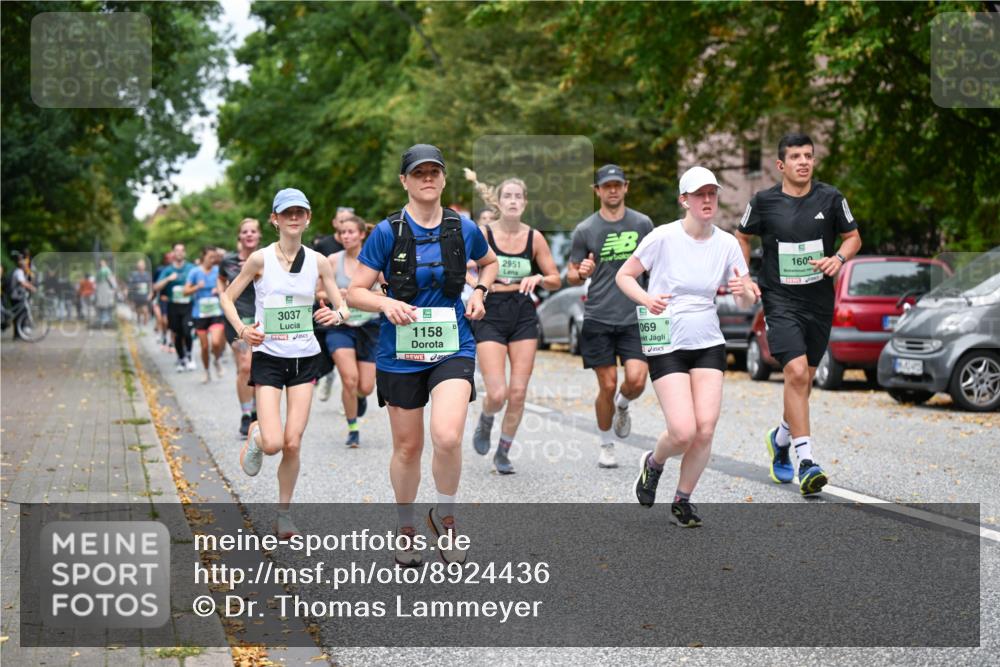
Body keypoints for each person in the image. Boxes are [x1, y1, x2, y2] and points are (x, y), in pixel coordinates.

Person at [347, 144, 497, 566]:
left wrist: (481, 292)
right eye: (419, 173)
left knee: (447, 436)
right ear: (405, 181)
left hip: (452, 344)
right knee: (408, 447)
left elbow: (489, 263)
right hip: (399, 349)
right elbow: (355, 291)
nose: (427, 178)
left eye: (434, 172)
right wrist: (385, 304)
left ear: (444, 179)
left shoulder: (463, 227)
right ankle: (407, 526)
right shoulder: (387, 231)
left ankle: (446, 520)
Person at [619, 166, 760, 526]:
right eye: (700, 194)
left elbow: (744, 302)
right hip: (665, 339)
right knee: (683, 430)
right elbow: (625, 275)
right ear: (685, 200)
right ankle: (654, 463)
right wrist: (647, 299)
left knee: (706, 428)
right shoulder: (663, 237)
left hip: (707, 340)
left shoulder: (727, 244)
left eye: (712, 193)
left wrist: (745, 295)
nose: (708, 200)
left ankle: (683, 500)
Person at [735, 133, 862, 495]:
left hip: (818, 302)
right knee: (793, 372)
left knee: (803, 381)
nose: (803, 161)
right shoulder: (763, 202)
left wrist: (838, 258)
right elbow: (742, 236)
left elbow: (853, 237)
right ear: (781, 165)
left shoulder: (831, 197)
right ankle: (806, 461)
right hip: (779, 300)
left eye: (808, 155)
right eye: (795, 157)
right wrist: (745, 276)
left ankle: (779, 439)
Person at [220, 188, 350, 538]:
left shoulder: (319, 261)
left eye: (300, 212)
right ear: (274, 219)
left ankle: (283, 514)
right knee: (275, 443)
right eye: (287, 213)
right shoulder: (259, 260)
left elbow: (343, 306)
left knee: (293, 442)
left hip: (305, 359)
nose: (294, 218)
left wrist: (334, 316)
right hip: (269, 359)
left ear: (308, 218)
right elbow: (228, 298)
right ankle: (258, 433)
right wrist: (243, 329)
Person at [465, 174, 560, 474]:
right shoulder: (482, 233)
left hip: (522, 311)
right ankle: (486, 418)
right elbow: (457, 267)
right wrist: (478, 285)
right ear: (499, 202)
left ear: (525, 202)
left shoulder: (535, 238)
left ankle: (503, 452)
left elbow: (556, 279)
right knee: (497, 393)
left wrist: (539, 278)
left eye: (519, 196)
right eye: (508, 196)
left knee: (518, 392)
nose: (514, 201)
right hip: (490, 312)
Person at [567, 164, 653, 469]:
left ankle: (623, 404)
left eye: (618, 185)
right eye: (607, 186)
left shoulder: (643, 224)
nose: (613, 190)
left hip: (634, 316)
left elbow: (656, 266)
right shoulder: (585, 229)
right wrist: (581, 272)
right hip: (599, 316)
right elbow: (572, 275)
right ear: (597, 191)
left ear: (626, 187)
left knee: (637, 380)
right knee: (606, 384)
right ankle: (606, 444)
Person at [320, 215, 383, 448]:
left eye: (350, 232)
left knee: (365, 386)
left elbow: (388, 294)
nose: (345, 236)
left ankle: (358, 397)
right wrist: (337, 295)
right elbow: (318, 292)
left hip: (369, 326)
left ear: (361, 234)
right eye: (342, 232)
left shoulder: (375, 260)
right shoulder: (332, 261)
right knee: (349, 378)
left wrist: (358, 295)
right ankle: (353, 428)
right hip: (340, 326)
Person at [218, 219, 262, 436]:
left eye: (253, 231)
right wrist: (222, 296)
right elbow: (221, 279)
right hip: (236, 318)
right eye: (245, 231)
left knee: (254, 367)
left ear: (259, 235)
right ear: (240, 236)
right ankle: (247, 414)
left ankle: (255, 407)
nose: (249, 234)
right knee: (245, 366)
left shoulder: (267, 258)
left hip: (261, 318)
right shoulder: (228, 260)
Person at [185, 246, 227, 383]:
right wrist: (197, 287)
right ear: (203, 257)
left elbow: (227, 287)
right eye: (210, 257)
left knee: (215, 342)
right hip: (200, 314)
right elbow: (185, 291)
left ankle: (217, 360)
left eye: (215, 257)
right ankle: (206, 371)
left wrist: (219, 289)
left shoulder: (218, 271)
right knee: (204, 346)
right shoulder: (194, 272)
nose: (213, 259)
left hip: (216, 312)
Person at [154, 243, 197, 372]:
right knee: (177, 333)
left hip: (188, 305)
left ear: (184, 253)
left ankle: (189, 355)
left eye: (181, 250)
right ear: (173, 253)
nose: (179, 253)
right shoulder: (167, 270)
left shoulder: (191, 268)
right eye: (176, 250)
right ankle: (180, 357)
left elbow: (200, 281)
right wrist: (168, 279)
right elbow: (156, 287)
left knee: (187, 330)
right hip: (174, 306)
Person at [8, 252, 37, 340]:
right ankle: (18, 334)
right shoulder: (18, 271)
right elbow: (22, 282)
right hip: (16, 296)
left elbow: (26, 281)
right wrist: (32, 287)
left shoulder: (21, 271)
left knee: (20, 314)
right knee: (20, 314)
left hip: (18, 296)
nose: (25, 264)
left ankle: (19, 333)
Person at [152, 252, 175, 350]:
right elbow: (155, 285)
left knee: (173, 322)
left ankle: (171, 340)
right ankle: (164, 335)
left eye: (172, 258)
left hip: (175, 299)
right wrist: (153, 296)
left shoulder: (177, 270)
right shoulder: (160, 270)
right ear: (165, 260)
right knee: (164, 320)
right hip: (162, 298)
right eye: (168, 258)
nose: (170, 260)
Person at [128, 258, 153, 326]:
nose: (141, 267)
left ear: (144, 266)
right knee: (138, 310)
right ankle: (139, 321)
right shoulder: (134, 275)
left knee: (145, 310)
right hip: (137, 296)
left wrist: (151, 293)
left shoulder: (147, 275)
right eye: (139, 265)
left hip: (145, 296)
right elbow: (130, 285)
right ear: (137, 266)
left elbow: (150, 285)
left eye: (142, 265)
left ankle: (145, 324)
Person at [94, 258, 116, 328]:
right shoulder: (107, 270)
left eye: (102, 263)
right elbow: (111, 280)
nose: (102, 264)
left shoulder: (99, 271)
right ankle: (105, 320)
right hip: (106, 289)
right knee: (107, 305)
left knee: (102, 305)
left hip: (101, 289)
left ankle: (102, 320)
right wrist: (114, 287)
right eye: (101, 263)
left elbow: (96, 282)